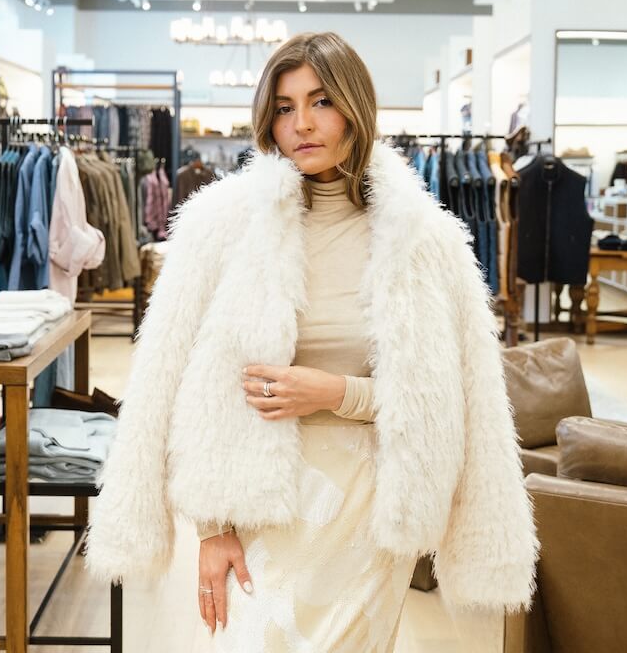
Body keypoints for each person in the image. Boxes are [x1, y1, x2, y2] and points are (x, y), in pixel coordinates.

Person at [85, 32, 537, 650]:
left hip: (369, 512)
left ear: (357, 108)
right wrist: (213, 527)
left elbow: (446, 404)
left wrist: (338, 393)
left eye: (320, 101)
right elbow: (176, 384)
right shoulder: (221, 227)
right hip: (259, 502)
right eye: (283, 106)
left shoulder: (423, 240)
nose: (300, 123)